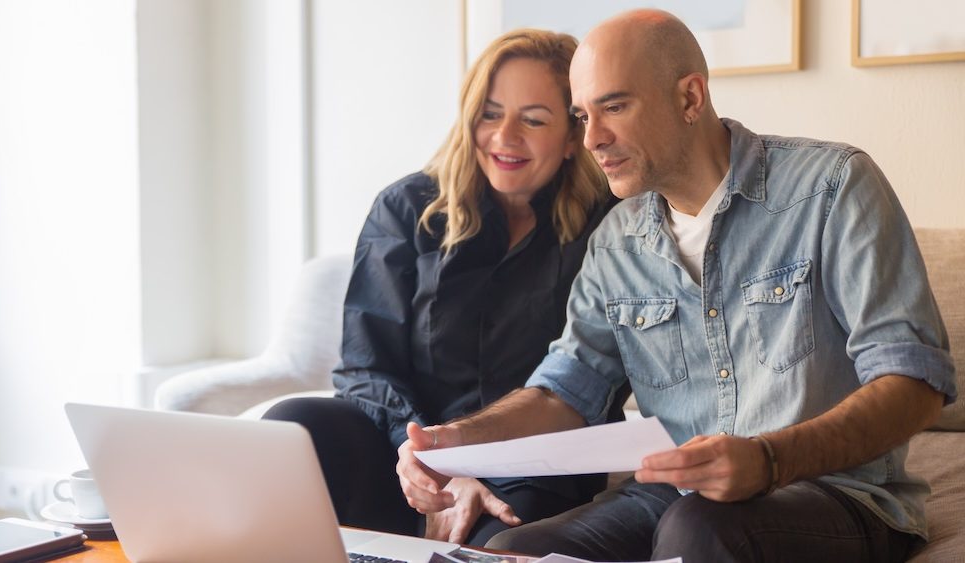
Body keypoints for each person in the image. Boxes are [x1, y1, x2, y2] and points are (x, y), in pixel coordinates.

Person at [396, 9, 957, 562]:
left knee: (700, 530)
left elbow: (914, 382)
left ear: (690, 98)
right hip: (673, 495)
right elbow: (563, 393)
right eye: (583, 115)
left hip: (834, 494)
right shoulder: (616, 242)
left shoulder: (832, 188)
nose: (593, 138)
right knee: (513, 551)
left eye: (615, 107)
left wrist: (769, 460)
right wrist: (452, 442)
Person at [262, 28, 619, 546]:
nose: (504, 136)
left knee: (500, 542)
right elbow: (365, 368)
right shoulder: (406, 207)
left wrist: (467, 462)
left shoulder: (611, 225)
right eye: (490, 114)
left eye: (533, 119)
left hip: (533, 464)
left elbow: (590, 384)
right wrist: (428, 457)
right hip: (404, 455)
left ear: (571, 136)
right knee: (295, 421)